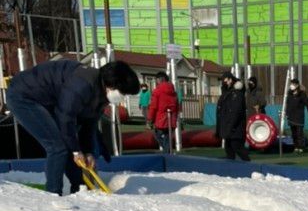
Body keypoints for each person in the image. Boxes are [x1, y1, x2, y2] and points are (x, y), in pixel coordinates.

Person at [6, 59, 139, 195]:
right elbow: (65, 117)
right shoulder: (82, 84)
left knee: (70, 144)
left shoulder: (101, 96)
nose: (123, 98)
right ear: (112, 86)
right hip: (23, 96)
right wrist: (76, 151)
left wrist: (88, 152)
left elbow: (89, 125)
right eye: (124, 94)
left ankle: (79, 190)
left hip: (49, 102)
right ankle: (52, 195)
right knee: (58, 147)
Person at [216, 71, 250, 161]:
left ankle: (250, 166)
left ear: (231, 80)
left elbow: (236, 112)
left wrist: (231, 126)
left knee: (237, 147)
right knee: (229, 148)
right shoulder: (226, 93)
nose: (224, 82)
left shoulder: (237, 94)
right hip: (228, 126)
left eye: (225, 80)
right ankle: (230, 169)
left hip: (235, 127)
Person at [147, 71, 180, 153]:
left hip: (161, 120)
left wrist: (150, 119)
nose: (156, 82)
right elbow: (177, 106)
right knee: (167, 137)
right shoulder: (173, 92)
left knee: (157, 134)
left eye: (156, 80)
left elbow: (153, 106)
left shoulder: (157, 91)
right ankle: (168, 153)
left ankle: (167, 152)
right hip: (171, 119)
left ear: (160, 79)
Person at [284, 78, 308, 153]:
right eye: (291, 84)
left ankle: (301, 147)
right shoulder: (289, 94)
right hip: (291, 117)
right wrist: (286, 113)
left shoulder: (302, 94)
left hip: (299, 117)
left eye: (293, 84)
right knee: (294, 134)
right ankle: (296, 146)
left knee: (299, 133)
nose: (291, 86)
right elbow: (288, 104)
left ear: (296, 85)